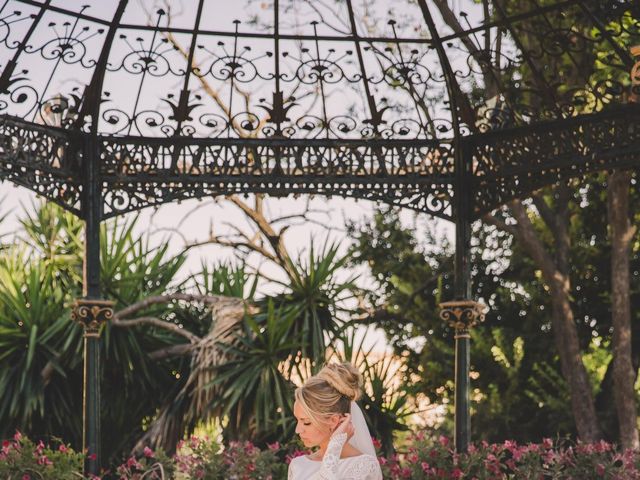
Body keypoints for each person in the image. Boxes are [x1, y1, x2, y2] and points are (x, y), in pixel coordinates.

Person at [288, 363, 383, 480]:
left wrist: (335, 446)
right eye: (297, 420)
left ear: (333, 421)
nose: (298, 430)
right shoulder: (298, 465)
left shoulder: (364, 466)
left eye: (306, 422)